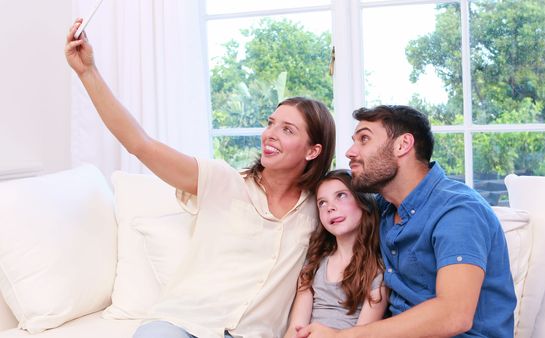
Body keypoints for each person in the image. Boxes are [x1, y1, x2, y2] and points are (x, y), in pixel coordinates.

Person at [65, 19, 336, 338]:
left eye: (287, 130)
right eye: (271, 123)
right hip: (182, 324)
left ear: (313, 151)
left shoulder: (321, 210)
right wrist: (87, 72)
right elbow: (141, 144)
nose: (269, 135)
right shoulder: (223, 181)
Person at [297, 105, 516, 338]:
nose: (350, 152)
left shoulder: (458, 211)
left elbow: (454, 314)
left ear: (402, 145)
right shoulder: (382, 209)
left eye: (364, 139)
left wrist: (342, 336)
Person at [284, 170, 388, 338]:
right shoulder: (314, 263)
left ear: (363, 201)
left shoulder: (377, 270)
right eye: (322, 203)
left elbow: (364, 334)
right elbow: (295, 329)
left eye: (341, 196)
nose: (330, 207)